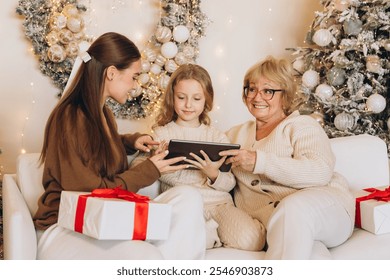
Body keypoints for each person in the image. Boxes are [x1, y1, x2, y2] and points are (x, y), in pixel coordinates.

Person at [33, 32, 206, 260]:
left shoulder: (102, 113)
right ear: (112, 73)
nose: (135, 86)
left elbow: (94, 145)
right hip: (68, 226)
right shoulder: (69, 116)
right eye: (134, 77)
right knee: (144, 255)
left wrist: (129, 141)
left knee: (188, 198)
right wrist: (149, 171)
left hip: (104, 219)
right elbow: (90, 192)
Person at [219, 56, 355, 259]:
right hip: (282, 229)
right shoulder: (233, 135)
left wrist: (259, 161)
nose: (257, 97)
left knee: (293, 209)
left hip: (326, 210)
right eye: (252, 89)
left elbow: (320, 172)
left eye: (268, 91)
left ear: (285, 95)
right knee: (313, 256)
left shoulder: (302, 125)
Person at [133, 64, 265, 250]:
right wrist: (155, 163)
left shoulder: (216, 137)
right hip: (184, 208)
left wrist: (213, 174)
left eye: (196, 98)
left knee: (253, 241)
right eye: (181, 97)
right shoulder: (161, 135)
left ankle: (212, 234)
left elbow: (230, 182)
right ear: (172, 97)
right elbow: (138, 169)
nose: (188, 105)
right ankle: (209, 236)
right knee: (195, 240)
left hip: (219, 204)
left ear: (206, 100)